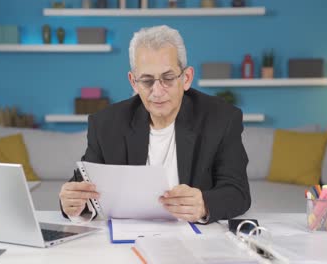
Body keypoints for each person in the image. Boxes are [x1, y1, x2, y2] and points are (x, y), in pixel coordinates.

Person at [59, 25, 250, 223]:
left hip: (195, 237)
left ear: (186, 78)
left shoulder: (222, 119)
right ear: (133, 82)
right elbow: (82, 188)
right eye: (147, 80)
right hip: (126, 240)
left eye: (168, 78)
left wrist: (204, 204)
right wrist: (72, 203)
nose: (157, 91)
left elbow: (238, 192)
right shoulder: (105, 124)